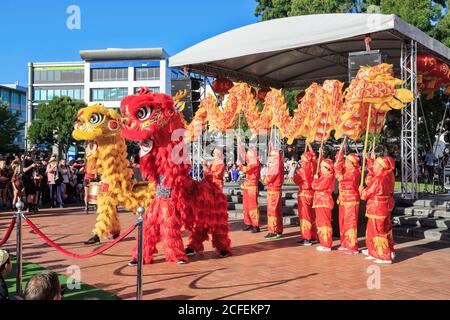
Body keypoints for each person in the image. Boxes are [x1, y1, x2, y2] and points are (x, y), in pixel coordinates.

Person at [359, 156, 395, 264]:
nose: (373, 166)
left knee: (378, 231)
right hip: (379, 207)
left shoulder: (379, 178)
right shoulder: (384, 176)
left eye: (375, 165)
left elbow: (366, 194)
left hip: (377, 208)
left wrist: (361, 190)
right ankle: (375, 252)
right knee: (373, 230)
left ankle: (384, 256)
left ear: (380, 167)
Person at [335, 147, 361, 255]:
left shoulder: (354, 172)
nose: (345, 163)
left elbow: (340, 177)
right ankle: (345, 243)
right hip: (343, 200)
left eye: (347, 161)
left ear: (352, 163)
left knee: (350, 223)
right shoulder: (348, 170)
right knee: (343, 222)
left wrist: (337, 168)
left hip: (351, 200)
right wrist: (340, 153)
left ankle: (352, 246)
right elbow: (338, 165)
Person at [294, 150, 317, 245]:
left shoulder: (302, 170)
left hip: (304, 194)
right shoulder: (314, 167)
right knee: (311, 216)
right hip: (312, 193)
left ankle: (306, 237)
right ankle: (312, 235)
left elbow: (296, 180)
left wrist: (296, 171)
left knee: (305, 216)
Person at [312, 158, 335, 252]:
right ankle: (324, 243)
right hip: (320, 201)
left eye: (322, 167)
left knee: (324, 223)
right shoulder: (325, 176)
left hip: (323, 201)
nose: (320, 168)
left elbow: (315, 186)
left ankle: (326, 244)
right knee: (321, 222)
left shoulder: (327, 177)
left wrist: (315, 180)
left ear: (327, 168)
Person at [237, 148, 261, 233]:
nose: (246, 156)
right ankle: (249, 223)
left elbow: (246, 169)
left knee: (253, 206)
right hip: (246, 186)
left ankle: (256, 225)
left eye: (248, 155)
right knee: (246, 206)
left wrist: (240, 165)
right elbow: (243, 154)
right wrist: (239, 141)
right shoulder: (251, 161)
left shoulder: (255, 162)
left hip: (252, 187)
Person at [264, 149, 284, 240]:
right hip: (276, 190)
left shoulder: (276, 164)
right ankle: (278, 230)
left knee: (272, 211)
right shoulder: (279, 163)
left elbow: (270, 177)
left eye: (271, 156)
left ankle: (273, 231)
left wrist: (265, 180)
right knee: (277, 211)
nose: (270, 157)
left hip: (273, 191)